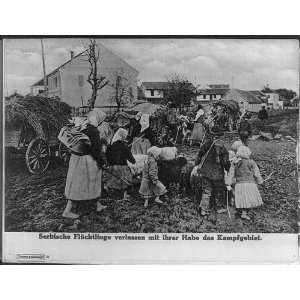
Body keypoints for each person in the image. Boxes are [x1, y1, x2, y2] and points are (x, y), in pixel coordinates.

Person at [63, 108, 108, 219]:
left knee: (80, 182)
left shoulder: (83, 127)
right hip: (87, 161)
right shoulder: (94, 131)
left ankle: (97, 204)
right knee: (84, 183)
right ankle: (67, 211)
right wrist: (101, 162)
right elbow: (95, 150)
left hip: (76, 159)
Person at [194, 129, 230, 216]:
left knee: (206, 190)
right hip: (217, 173)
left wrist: (197, 163)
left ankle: (203, 209)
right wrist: (228, 169)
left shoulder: (207, 143)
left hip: (206, 171)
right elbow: (225, 161)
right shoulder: (223, 147)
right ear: (222, 136)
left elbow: (200, 154)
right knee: (219, 190)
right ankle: (219, 207)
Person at [225, 146, 263, 220]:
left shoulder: (235, 162)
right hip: (250, 184)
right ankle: (245, 213)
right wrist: (259, 181)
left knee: (242, 198)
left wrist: (228, 182)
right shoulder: (251, 162)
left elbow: (231, 174)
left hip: (239, 184)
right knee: (248, 199)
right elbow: (256, 173)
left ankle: (241, 212)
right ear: (248, 152)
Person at [106, 128, 136, 200]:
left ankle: (114, 193)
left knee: (115, 179)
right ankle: (124, 195)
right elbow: (130, 158)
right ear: (123, 136)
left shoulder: (111, 145)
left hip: (112, 167)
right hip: (122, 167)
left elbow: (107, 155)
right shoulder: (123, 145)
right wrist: (133, 161)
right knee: (126, 177)